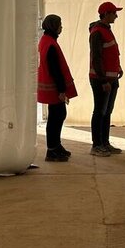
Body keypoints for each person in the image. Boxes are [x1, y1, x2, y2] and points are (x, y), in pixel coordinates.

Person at [37, 14, 78, 162]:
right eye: (60, 24)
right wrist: (61, 90)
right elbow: (55, 70)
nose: (62, 27)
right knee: (56, 117)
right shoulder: (50, 44)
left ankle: (56, 145)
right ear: (54, 26)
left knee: (58, 115)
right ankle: (52, 149)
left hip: (51, 87)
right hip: (53, 88)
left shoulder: (46, 40)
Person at [89, 1, 124, 157]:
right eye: (114, 13)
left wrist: (118, 68)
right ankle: (97, 145)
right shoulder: (97, 32)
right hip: (101, 80)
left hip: (111, 78)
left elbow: (111, 53)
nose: (116, 16)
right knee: (99, 111)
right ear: (107, 14)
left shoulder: (106, 30)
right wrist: (103, 81)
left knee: (107, 112)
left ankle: (105, 142)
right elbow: (97, 58)